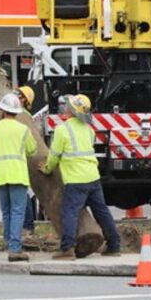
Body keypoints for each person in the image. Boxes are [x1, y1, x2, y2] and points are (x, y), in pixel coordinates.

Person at [40, 94, 122, 260]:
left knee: (69, 213)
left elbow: (54, 156)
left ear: (70, 110)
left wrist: (47, 169)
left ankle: (67, 249)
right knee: (102, 211)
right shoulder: (89, 129)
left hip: (75, 180)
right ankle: (114, 245)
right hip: (92, 177)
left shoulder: (62, 130)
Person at [0, 93, 36, 262]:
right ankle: (15, 249)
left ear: (2, 109)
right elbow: (32, 149)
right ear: (18, 111)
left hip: (0, 174)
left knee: (6, 212)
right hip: (18, 174)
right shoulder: (23, 130)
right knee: (17, 212)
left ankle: (9, 242)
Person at [15, 85, 37, 235]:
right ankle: (26, 226)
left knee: (23, 194)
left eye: (20, 95)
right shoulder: (19, 115)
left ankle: (28, 225)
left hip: (21, 160)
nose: (16, 96)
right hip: (17, 161)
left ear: (25, 101)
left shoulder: (24, 117)